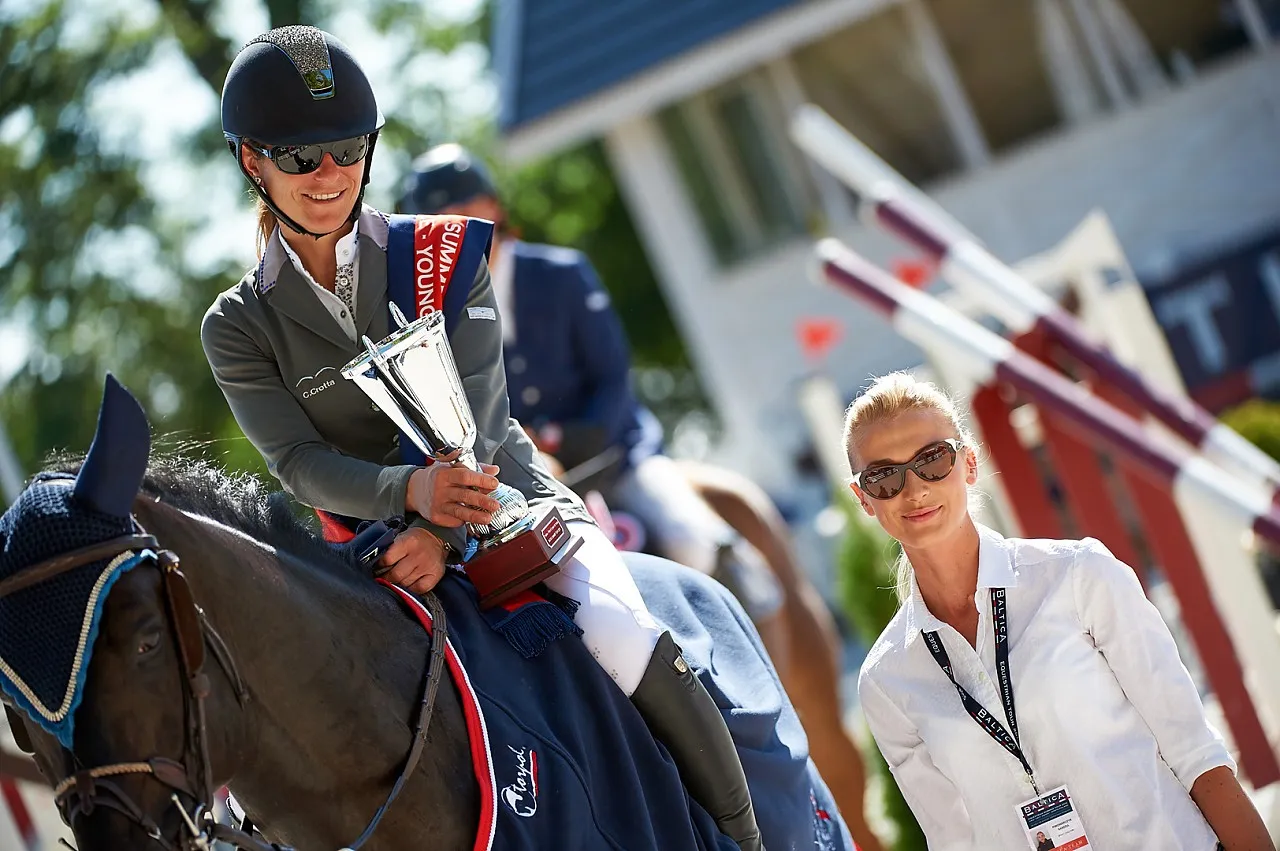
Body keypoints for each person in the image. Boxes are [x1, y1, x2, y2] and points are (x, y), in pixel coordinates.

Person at [202, 26, 761, 850]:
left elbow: (486, 421)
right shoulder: (236, 324)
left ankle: (743, 838)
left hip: (509, 506)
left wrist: (441, 527)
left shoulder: (444, 252)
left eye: (348, 150)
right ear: (254, 161)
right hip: (371, 556)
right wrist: (406, 499)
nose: (330, 175)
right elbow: (296, 461)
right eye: (300, 158)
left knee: (624, 634)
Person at [846, 372, 1272, 851]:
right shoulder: (886, 681)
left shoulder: (1080, 575)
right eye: (883, 477)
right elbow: (954, 843)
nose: (914, 488)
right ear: (863, 499)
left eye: (932, 459)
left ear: (968, 463)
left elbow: (1198, 757)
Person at [395, 143, 783, 622]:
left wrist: (562, 441)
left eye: (464, 211)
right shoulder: (438, 312)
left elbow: (612, 377)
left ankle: (750, 619)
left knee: (688, 536)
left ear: (493, 207)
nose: (456, 229)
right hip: (524, 478)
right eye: (439, 221)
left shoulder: (561, 274)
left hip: (617, 454)